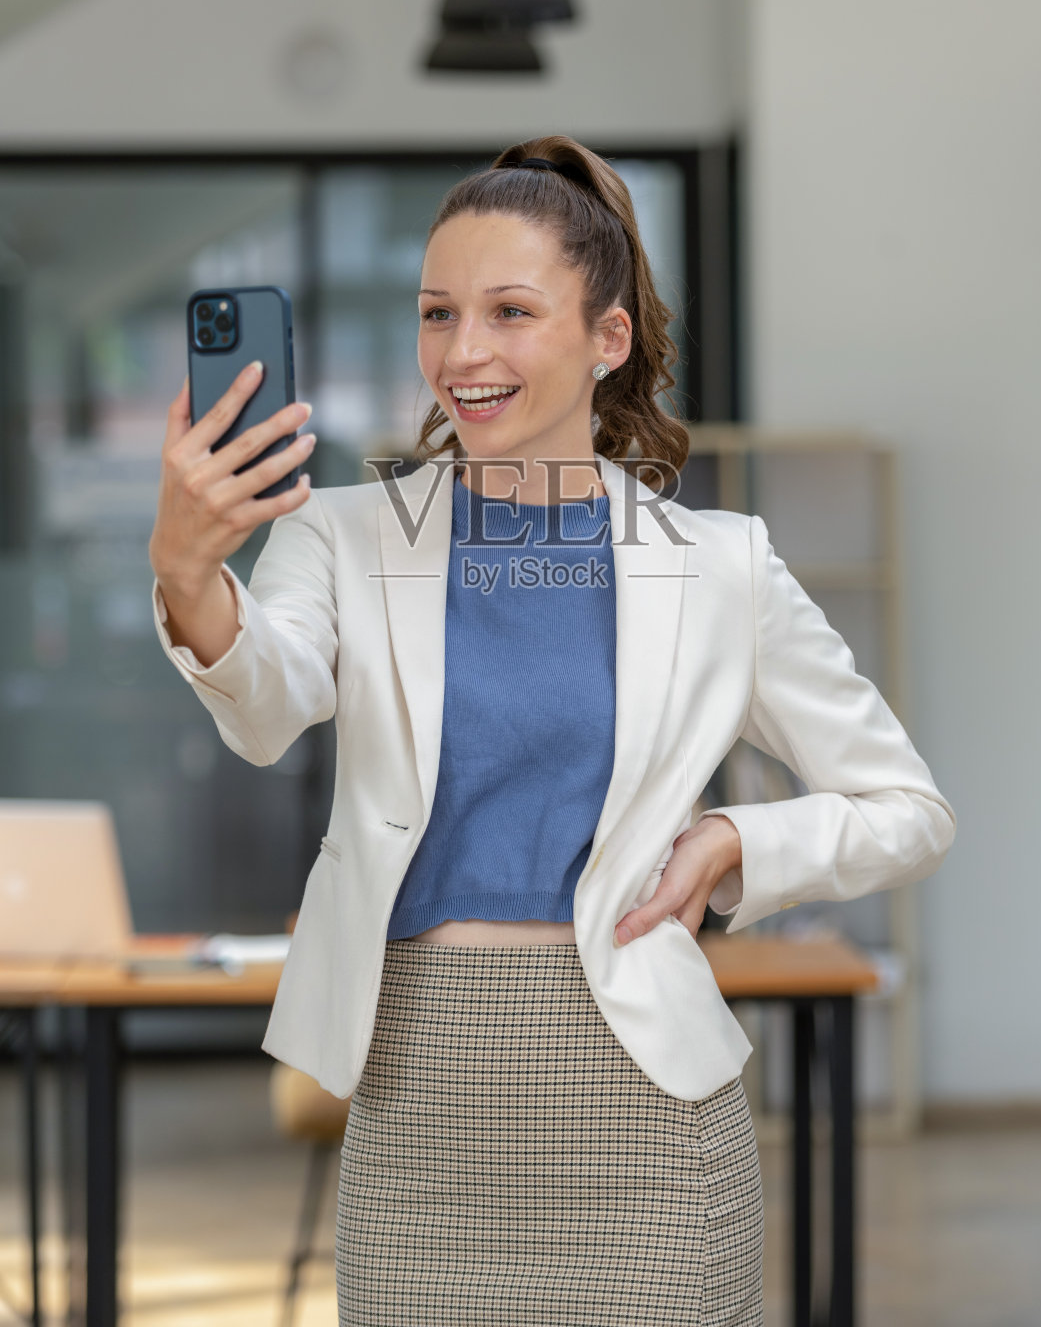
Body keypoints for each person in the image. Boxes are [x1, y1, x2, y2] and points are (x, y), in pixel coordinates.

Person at [149, 134, 957, 1326]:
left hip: (647, 1121)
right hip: (417, 1111)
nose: (462, 353)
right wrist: (184, 567)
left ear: (606, 337)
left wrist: (733, 840)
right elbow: (265, 706)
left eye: (510, 311)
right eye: (436, 313)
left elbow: (908, 810)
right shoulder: (339, 533)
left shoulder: (721, 567)